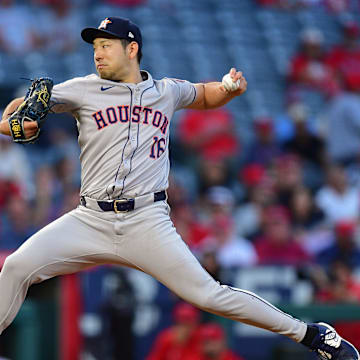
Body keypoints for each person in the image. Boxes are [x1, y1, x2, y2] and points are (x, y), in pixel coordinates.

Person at [0, 16, 358, 360]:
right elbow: (26, 105)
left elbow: (204, 94)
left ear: (131, 49)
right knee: (16, 267)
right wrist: (13, 123)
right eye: (95, 45)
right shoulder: (83, 89)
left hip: (146, 220)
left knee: (209, 294)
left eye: (106, 45)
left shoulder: (165, 91)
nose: (97, 52)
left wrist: (228, 89)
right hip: (90, 218)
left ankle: (312, 334)